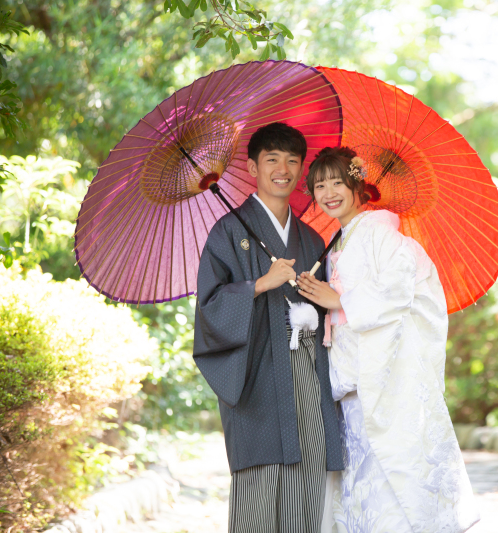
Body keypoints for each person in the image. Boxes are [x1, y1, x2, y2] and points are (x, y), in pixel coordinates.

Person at [296, 146, 480, 533]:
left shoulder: (380, 232)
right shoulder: (339, 241)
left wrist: (339, 300)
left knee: (389, 475)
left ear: (357, 185)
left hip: (382, 375)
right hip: (352, 376)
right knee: (362, 480)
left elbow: (399, 290)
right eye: (319, 186)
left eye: (337, 183)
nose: (328, 193)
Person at [193, 123, 343, 533]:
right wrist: (260, 284)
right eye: (272, 159)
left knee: (309, 468)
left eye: (292, 161)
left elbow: (332, 306)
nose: (283, 169)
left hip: (309, 368)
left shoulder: (312, 239)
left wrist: (322, 303)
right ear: (252, 167)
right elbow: (209, 307)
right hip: (256, 372)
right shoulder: (228, 232)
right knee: (260, 481)